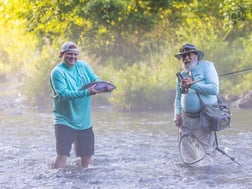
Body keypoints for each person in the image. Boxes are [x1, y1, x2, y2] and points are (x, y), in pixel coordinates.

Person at [50, 41, 101, 169]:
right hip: (64, 120)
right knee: (62, 156)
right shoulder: (57, 72)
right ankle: (55, 180)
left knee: (87, 157)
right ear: (61, 54)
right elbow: (64, 94)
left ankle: (88, 182)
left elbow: (95, 79)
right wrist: (87, 92)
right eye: (69, 54)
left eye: (75, 54)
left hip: (84, 121)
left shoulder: (83, 66)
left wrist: (103, 85)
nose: (72, 57)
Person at [173, 43, 219, 164]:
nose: (186, 58)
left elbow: (214, 89)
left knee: (207, 154)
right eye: (183, 56)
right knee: (187, 155)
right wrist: (177, 114)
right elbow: (178, 97)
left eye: (189, 54)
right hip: (185, 119)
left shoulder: (207, 66)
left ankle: (208, 180)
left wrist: (193, 84)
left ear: (196, 56)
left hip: (204, 117)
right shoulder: (181, 75)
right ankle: (190, 180)